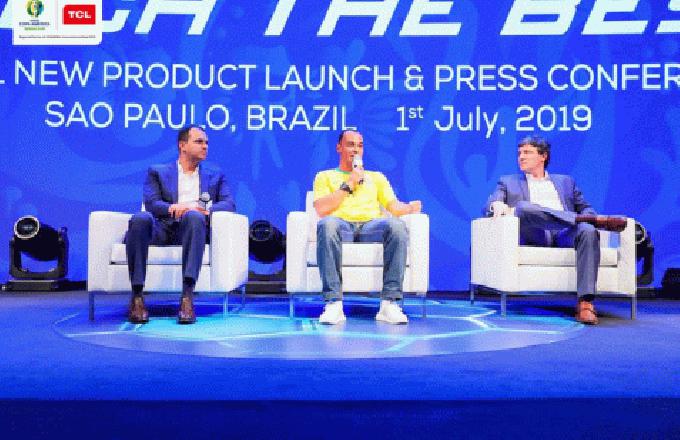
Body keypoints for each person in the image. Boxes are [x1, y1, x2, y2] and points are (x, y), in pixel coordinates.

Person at [484, 136, 627, 325]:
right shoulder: (508, 181)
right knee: (523, 207)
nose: (521, 157)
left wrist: (585, 218)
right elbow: (489, 206)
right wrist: (496, 204)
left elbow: (586, 208)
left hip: (564, 233)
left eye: (527, 152)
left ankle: (585, 304)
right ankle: (578, 220)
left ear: (543, 156)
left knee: (587, 230)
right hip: (536, 232)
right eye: (519, 153)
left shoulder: (566, 181)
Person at [126, 125, 235, 324]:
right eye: (199, 142)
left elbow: (229, 204)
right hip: (162, 227)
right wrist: (173, 207)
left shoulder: (216, 175)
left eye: (206, 143)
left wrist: (205, 210)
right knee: (140, 219)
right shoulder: (157, 172)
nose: (205, 146)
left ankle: (187, 298)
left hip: (192, 230)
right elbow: (151, 203)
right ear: (182, 146)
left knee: (194, 217)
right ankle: (137, 297)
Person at [313, 129, 422, 325]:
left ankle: (389, 304)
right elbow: (321, 209)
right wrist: (350, 183)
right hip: (341, 225)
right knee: (326, 225)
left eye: (360, 145)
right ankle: (333, 304)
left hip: (371, 226)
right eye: (350, 145)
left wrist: (410, 208)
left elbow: (393, 207)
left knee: (396, 226)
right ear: (339, 148)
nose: (356, 150)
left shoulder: (376, 177)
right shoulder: (325, 176)